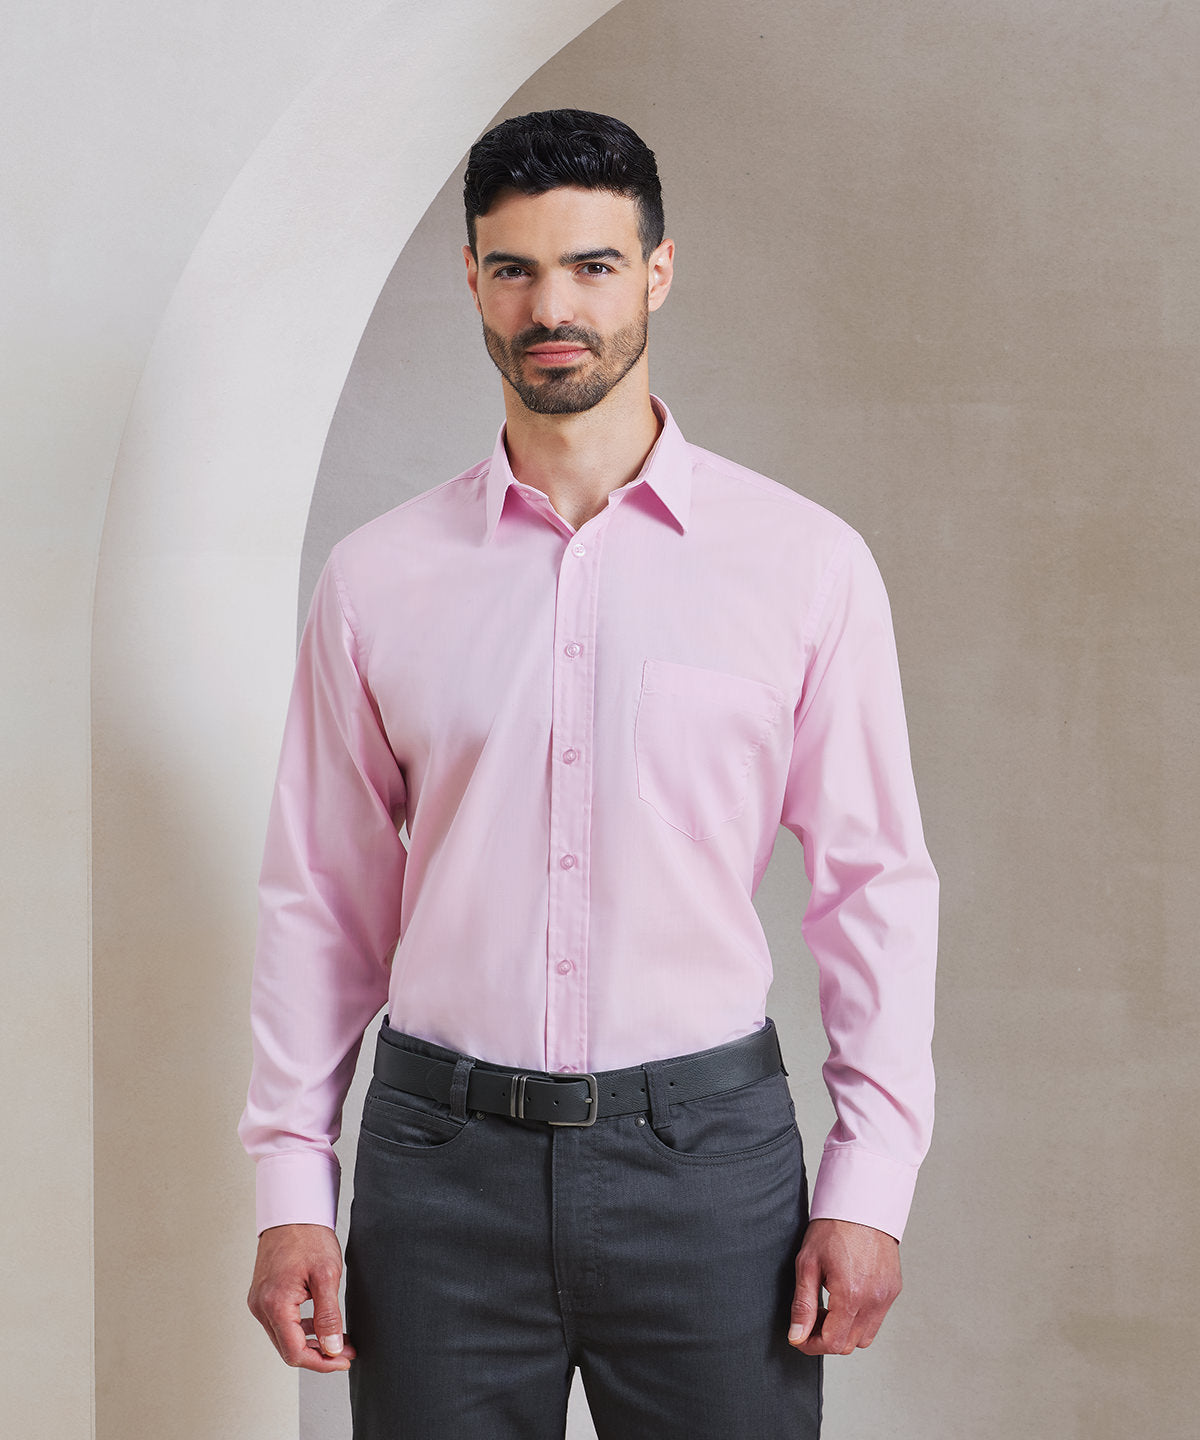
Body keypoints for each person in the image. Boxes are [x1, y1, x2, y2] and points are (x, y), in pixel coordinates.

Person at [241, 109, 937, 1439]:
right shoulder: (378, 579)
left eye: (593, 265)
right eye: (514, 268)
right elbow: (320, 897)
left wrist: (871, 1185)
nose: (551, 307)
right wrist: (290, 1188)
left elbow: (874, 888)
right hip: (438, 1175)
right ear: (472, 281)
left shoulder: (804, 565)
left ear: (657, 272)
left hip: (709, 1170)